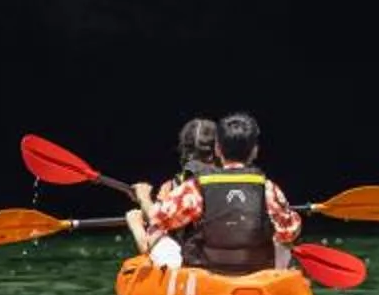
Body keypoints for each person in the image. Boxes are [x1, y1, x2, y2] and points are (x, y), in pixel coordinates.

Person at [127, 114, 304, 275]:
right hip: (257, 271)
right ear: (255, 151)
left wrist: (143, 200)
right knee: (282, 241)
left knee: (158, 232)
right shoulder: (267, 187)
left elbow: (158, 219)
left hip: (208, 273)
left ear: (218, 149)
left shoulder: (195, 187)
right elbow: (290, 231)